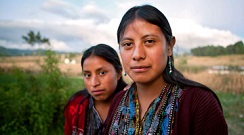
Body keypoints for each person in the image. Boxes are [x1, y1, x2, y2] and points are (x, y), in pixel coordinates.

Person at [103, 5, 228, 135]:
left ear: (169, 46)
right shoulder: (118, 100)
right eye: (128, 44)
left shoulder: (200, 103)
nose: (137, 55)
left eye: (149, 41)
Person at [64, 44, 127, 135]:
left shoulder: (134, 105)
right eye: (88, 75)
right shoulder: (75, 106)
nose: (94, 83)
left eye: (102, 73)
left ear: (118, 73)